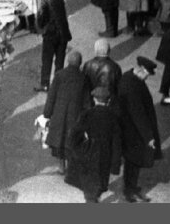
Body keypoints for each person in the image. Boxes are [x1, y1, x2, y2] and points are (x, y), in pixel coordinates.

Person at [116, 56, 162, 202]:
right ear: (141, 69)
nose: (147, 77)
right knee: (133, 161)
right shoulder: (132, 85)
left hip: (132, 129)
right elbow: (138, 114)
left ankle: (131, 187)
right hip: (133, 131)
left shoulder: (130, 78)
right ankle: (129, 190)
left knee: (134, 161)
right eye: (147, 74)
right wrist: (149, 137)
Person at [67, 87, 123, 202]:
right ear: (108, 101)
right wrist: (115, 164)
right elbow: (117, 142)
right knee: (101, 180)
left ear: (94, 99)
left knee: (89, 183)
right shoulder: (113, 117)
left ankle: (91, 200)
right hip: (105, 154)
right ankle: (95, 196)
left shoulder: (87, 114)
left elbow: (74, 134)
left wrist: (76, 148)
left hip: (89, 152)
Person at [37, 49, 88, 174]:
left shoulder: (59, 75)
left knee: (59, 142)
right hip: (75, 115)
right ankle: (70, 167)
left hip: (59, 114)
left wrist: (47, 113)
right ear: (80, 63)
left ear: (68, 61)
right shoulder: (83, 78)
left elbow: (52, 96)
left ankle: (61, 167)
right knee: (71, 142)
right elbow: (86, 101)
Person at [35, 0, 72, 90]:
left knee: (47, 60)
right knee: (59, 61)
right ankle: (58, 85)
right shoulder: (60, 0)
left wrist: (41, 26)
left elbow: (40, 20)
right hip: (63, 34)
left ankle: (45, 84)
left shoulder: (45, 1)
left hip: (50, 35)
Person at [83, 37, 122, 103]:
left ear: (95, 50)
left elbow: (85, 83)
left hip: (91, 98)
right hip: (109, 100)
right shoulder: (115, 67)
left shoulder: (88, 65)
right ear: (108, 51)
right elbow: (119, 86)